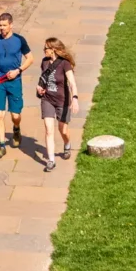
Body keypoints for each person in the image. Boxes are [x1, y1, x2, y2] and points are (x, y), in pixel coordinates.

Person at [0, 13, 33, 158]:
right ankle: (1, 146)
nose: (1, 28)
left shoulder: (20, 40)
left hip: (14, 82)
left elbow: (30, 58)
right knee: (0, 114)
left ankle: (16, 128)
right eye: (0, 25)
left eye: (4, 25)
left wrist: (18, 70)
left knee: (15, 115)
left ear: (11, 25)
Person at [37, 38, 79, 172]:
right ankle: (51, 160)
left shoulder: (65, 64)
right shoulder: (44, 62)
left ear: (53, 49)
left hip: (63, 101)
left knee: (63, 130)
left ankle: (67, 144)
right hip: (47, 99)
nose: (44, 51)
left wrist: (75, 98)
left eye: (46, 48)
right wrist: (39, 89)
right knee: (49, 130)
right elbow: (42, 80)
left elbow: (72, 83)